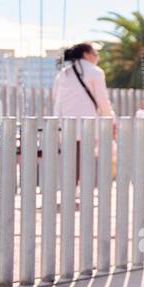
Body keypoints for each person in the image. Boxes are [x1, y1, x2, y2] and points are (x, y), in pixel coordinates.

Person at [51, 43, 115, 189]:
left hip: (65, 124)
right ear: (86, 54)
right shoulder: (95, 72)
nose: (97, 57)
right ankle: (83, 192)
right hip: (87, 124)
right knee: (86, 161)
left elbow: (55, 96)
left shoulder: (63, 73)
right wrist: (110, 119)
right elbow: (102, 100)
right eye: (95, 53)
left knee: (70, 160)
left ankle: (70, 191)